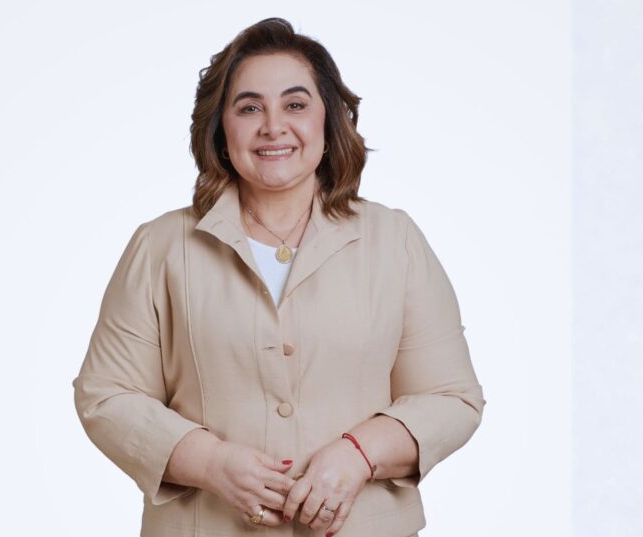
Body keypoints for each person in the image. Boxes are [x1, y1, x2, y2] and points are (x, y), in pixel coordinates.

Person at [72, 17, 486, 537]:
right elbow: (107, 396)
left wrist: (359, 454)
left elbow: (451, 397)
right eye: (249, 108)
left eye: (295, 105)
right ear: (220, 130)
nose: (273, 127)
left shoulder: (395, 240)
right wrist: (209, 462)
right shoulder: (160, 247)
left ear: (328, 123)